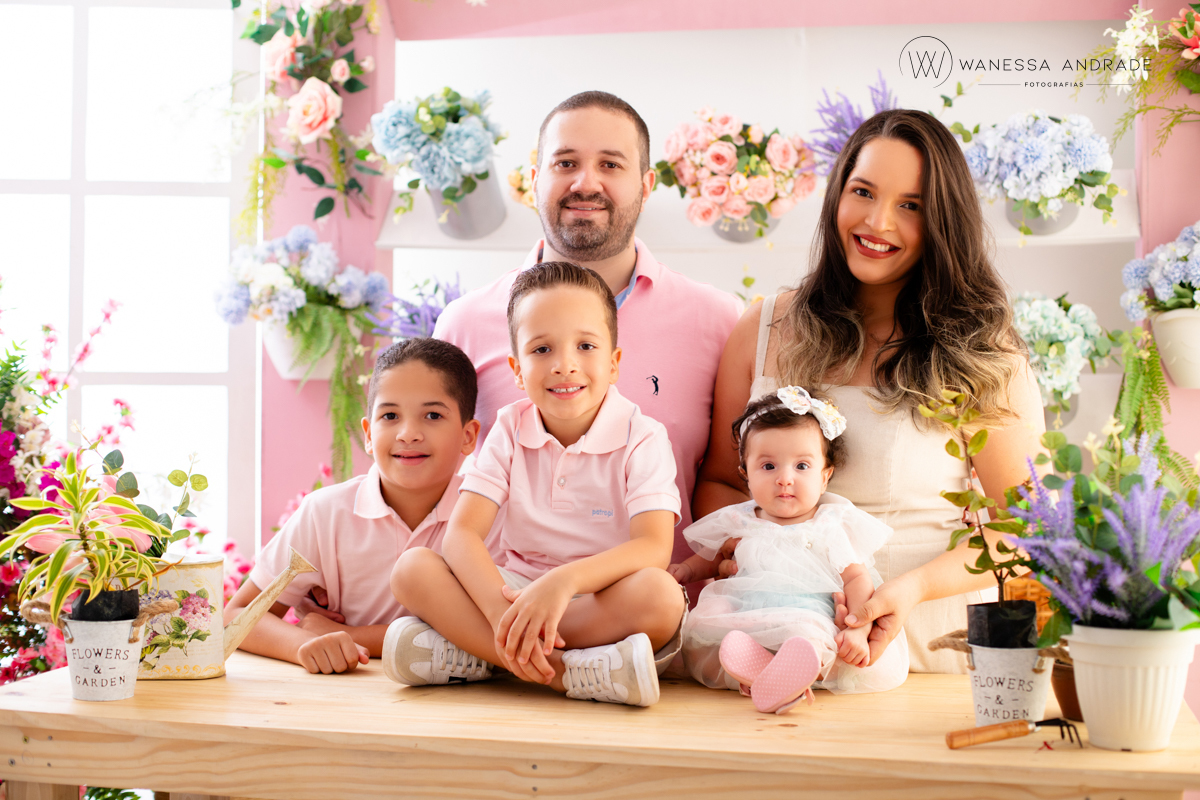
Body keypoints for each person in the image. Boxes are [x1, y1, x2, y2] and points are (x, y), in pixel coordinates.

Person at [692, 109, 1045, 673]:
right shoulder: (764, 328)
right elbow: (719, 480)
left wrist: (912, 588)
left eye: (911, 206)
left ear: (944, 222)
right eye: (863, 192)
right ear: (837, 194)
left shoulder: (983, 351)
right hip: (770, 642)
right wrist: (736, 548)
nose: (878, 222)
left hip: (922, 648)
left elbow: (1029, 529)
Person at [434, 90, 741, 563]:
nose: (586, 183)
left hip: (660, 599)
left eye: (611, 165)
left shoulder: (719, 322)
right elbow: (426, 483)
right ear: (534, 180)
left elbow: (737, 482)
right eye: (565, 163)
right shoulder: (464, 324)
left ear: (646, 185)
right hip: (503, 601)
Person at [385, 262, 686, 707]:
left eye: (586, 346)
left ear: (614, 363)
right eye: (542, 349)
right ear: (517, 370)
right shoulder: (509, 427)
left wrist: (563, 582)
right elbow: (462, 534)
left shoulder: (643, 437)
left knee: (662, 598)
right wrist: (500, 615)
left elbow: (653, 547)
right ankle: (563, 672)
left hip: (595, 598)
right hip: (513, 591)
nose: (565, 365)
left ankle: (480, 654)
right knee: (412, 569)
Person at [224, 338, 485, 674]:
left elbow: (489, 637)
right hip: (346, 692)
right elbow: (237, 616)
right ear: (368, 433)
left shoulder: (490, 515)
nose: (408, 433)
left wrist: (353, 635)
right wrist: (304, 645)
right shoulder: (324, 513)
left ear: (468, 436)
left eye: (432, 415)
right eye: (390, 415)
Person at [672, 387, 909, 714]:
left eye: (801, 466)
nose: (785, 479)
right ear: (746, 475)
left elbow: (857, 579)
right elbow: (715, 556)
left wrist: (858, 628)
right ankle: (767, 676)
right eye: (769, 466)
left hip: (807, 614)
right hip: (747, 616)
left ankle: (789, 673)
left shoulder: (829, 525)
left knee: (809, 636)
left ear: (825, 477)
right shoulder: (742, 520)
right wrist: (685, 570)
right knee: (708, 627)